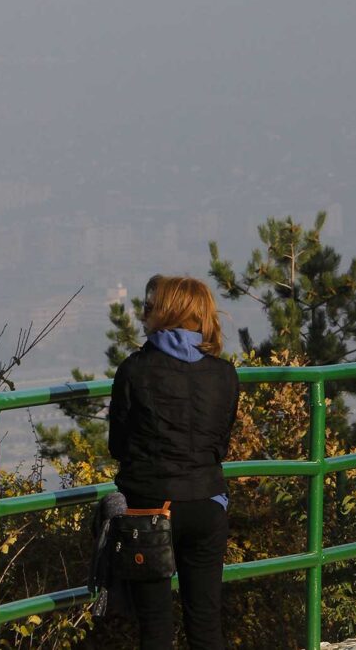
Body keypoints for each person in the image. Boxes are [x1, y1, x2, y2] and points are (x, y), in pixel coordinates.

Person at [108, 275, 239, 649]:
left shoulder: (134, 370)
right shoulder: (224, 374)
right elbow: (220, 443)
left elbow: (118, 445)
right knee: (206, 622)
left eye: (149, 306)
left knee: (155, 627)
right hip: (207, 504)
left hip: (150, 508)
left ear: (164, 312)